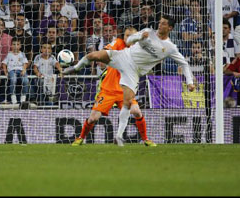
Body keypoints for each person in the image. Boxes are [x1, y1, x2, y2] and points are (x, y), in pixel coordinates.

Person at [63, 16, 195, 146]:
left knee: (136, 111)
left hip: (130, 75)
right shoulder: (126, 40)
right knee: (93, 117)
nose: (160, 25)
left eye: (163, 24)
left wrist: (189, 82)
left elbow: (184, 63)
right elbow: (127, 42)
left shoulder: (170, 47)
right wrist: (139, 37)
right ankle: (75, 68)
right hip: (111, 84)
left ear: (170, 28)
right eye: (159, 23)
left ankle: (139, 139)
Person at [72, 27, 156, 147]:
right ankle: (80, 138)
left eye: (130, 36)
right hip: (108, 90)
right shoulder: (118, 43)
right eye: (126, 35)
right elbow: (105, 52)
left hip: (125, 91)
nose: (127, 38)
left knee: (136, 111)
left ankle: (146, 139)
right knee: (93, 118)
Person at [2, 38, 30, 105]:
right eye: (14, 44)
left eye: (17, 44)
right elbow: (4, 64)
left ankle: (23, 98)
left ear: (20, 46)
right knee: (13, 80)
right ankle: (13, 97)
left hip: (21, 70)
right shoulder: (9, 54)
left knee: (26, 81)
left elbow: (25, 63)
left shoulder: (22, 54)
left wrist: (24, 70)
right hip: (12, 70)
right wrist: (6, 72)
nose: (15, 46)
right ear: (11, 45)